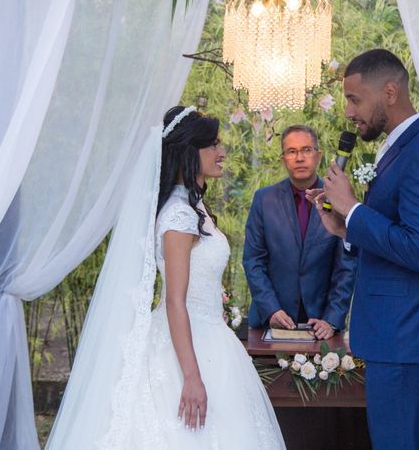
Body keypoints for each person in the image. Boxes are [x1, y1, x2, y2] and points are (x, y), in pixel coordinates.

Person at [47, 106, 285, 449]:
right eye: (212, 145)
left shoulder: (194, 208)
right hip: (188, 343)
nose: (222, 153)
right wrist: (190, 376)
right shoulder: (178, 215)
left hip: (210, 337)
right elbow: (175, 300)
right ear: (190, 152)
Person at [306, 49, 419, 449]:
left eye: (355, 99)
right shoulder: (402, 150)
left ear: (390, 92)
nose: (348, 111)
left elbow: (418, 249)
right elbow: (398, 239)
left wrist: (354, 207)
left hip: (409, 338)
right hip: (397, 339)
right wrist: (345, 227)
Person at [244, 125, 356, 339]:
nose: (299, 158)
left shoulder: (339, 200)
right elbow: (253, 261)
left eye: (306, 150)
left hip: (320, 325)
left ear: (319, 155)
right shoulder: (264, 200)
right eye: (291, 151)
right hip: (271, 321)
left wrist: (331, 319)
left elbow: (346, 266)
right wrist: (271, 309)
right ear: (283, 158)